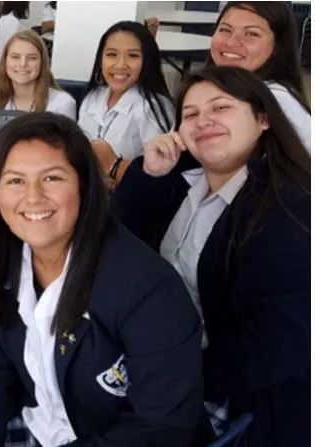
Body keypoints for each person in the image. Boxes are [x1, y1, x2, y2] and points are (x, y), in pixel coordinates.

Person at [0, 112, 205, 447]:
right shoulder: (4, 261)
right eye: (15, 181)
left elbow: (163, 428)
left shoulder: (148, 290)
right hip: (41, 419)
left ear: (85, 185)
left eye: (52, 178)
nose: (33, 197)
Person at [114, 66, 310, 447]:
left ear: (263, 119)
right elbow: (118, 239)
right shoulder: (185, 180)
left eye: (221, 108)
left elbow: (276, 347)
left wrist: (170, 374)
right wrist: (149, 174)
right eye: (190, 114)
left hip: (225, 397)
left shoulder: (288, 211)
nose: (204, 121)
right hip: (154, 349)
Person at [78, 21, 174, 185]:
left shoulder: (151, 108)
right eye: (112, 54)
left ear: (147, 61)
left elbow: (158, 180)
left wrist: (113, 167)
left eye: (133, 56)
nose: (120, 65)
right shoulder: (92, 97)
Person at [207, 1, 310, 150]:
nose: (231, 42)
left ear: (278, 46)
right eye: (225, 30)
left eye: (251, 34)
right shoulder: (210, 89)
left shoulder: (273, 100)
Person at [0, 29, 76, 119]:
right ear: (5, 61)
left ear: (42, 63)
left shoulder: (62, 104)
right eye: (15, 57)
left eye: (32, 58)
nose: (23, 64)